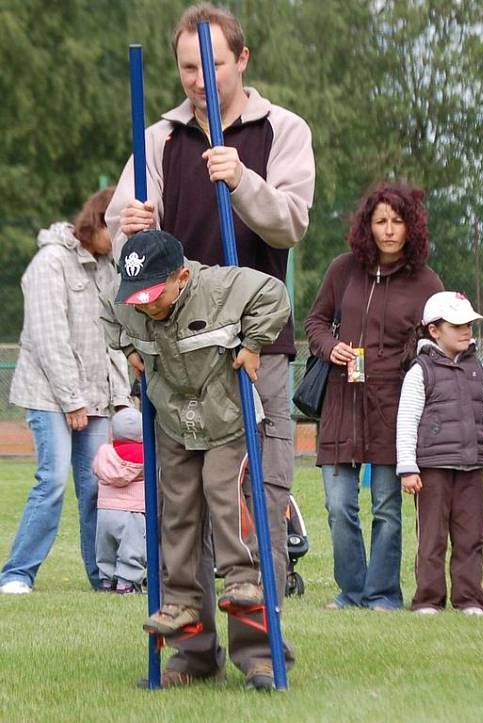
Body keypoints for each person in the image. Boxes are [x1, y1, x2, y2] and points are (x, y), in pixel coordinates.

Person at [105, 2, 314, 685]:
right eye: (189, 67)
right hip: (177, 355)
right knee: (180, 502)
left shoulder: (281, 129)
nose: (198, 79)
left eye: (212, 64)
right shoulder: (161, 137)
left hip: (255, 345)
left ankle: (261, 651)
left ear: (242, 60)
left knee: (257, 493)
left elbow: (289, 225)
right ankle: (192, 650)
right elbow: (121, 233)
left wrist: (242, 181)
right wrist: (127, 221)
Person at [100, 230, 291, 690]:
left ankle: (246, 591)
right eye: (137, 297)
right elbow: (109, 309)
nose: (143, 305)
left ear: (182, 277)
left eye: (152, 295)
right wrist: (128, 348)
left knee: (224, 497)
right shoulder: (127, 300)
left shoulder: (221, 286)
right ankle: (183, 611)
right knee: (177, 513)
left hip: (226, 420)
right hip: (173, 420)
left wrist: (254, 344)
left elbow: (275, 294)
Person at [305, 182, 443, 611]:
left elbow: (436, 339)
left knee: (386, 506)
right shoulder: (342, 269)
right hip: (340, 401)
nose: (388, 230)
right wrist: (332, 348)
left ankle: (382, 594)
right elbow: (314, 323)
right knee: (338, 505)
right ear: (367, 226)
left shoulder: (426, 281)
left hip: (394, 406)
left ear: (410, 227)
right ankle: (351, 590)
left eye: (397, 221)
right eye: (380, 221)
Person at [0, 188, 131, 595]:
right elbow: (48, 336)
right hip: (50, 396)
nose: (123, 240)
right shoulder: (50, 263)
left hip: (95, 397)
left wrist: (121, 395)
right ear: (98, 221)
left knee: (97, 488)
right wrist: (71, 399)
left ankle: (103, 576)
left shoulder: (110, 268)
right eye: (118, 229)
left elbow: (115, 335)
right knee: (52, 481)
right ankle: (17, 573)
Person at [396, 291, 483, 616]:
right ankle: (428, 600)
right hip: (430, 470)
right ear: (434, 330)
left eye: (469, 325)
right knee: (432, 538)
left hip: (471, 468)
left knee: (471, 537)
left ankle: (470, 599)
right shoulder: (420, 371)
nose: (466, 331)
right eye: (457, 325)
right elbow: (406, 420)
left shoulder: (481, 371)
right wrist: (408, 467)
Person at [93, 406, 146, 595]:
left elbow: (95, 470)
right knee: (132, 548)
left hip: (105, 510)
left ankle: (107, 580)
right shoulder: (146, 452)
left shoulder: (105, 452)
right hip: (134, 510)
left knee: (105, 548)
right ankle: (126, 582)